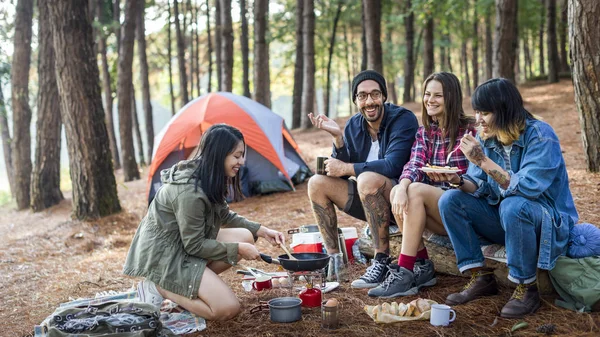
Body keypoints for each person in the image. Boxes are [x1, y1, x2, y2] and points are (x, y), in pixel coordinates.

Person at [438, 78, 578, 318]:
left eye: (485, 112)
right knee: (450, 199)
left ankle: (527, 287)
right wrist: (458, 181)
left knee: (514, 205)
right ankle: (480, 276)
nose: (478, 119)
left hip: (545, 224)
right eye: (477, 111)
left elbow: (526, 189)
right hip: (509, 220)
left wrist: (482, 160)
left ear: (504, 110)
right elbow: (480, 186)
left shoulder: (541, 135)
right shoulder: (487, 136)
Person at [123, 124, 285, 321]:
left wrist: (261, 230)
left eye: (242, 155)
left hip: (182, 246)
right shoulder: (190, 192)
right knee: (227, 309)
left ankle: (191, 286)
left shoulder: (207, 177)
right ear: (219, 154)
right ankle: (161, 288)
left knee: (246, 236)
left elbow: (224, 215)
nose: (241, 161)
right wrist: (238, 249)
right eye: (236, 156)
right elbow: (194, 245)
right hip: (166, 257)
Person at [368, 72, 476, 298]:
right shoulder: (426, 132)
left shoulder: (471, 131)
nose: (430, 100)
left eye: (438, 95)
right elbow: (414, 163)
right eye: (427, 94)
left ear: (452, 98)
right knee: (402, 188)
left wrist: (415, 185)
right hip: (438, 216)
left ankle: (404, 270)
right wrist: (401, 186)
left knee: (413, 190)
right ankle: (423, 265)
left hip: (465, 210)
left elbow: (477, 179)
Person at [307, 69, 419, 289]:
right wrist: (338, 139)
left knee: (367, 178)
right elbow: (343, 169)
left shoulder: (403, 119)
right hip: (371, 203)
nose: (369, 101)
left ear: (384, 97)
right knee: (316, 183)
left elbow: (393, 164)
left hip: (402, 202)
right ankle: (334, 261)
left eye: (375, 94)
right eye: (362, 96)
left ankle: (382, 260)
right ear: (356, 100)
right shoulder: (353, 125)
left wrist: (347, 167)